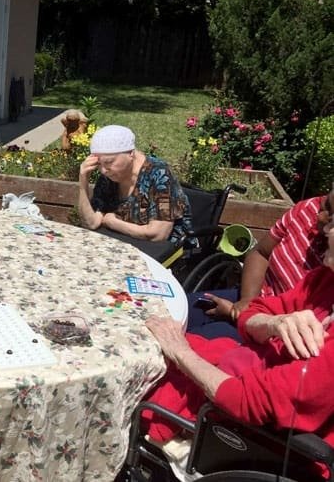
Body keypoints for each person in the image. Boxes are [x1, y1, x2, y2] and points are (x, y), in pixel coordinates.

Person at [142, 218, 334, 478]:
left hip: (261, 446)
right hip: (241, 375)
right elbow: (253, 311)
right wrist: (274, 323)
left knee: (139, 379)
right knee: (154, 345)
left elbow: (244, 401)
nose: (326, 228)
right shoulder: (324, 280)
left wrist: (179, 350)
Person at [186, 183, 334, 342]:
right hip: (252, 294)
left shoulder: (327, 272)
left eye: (332, 215)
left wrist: (237, 314)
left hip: (275, 334)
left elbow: (298, 329)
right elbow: (261, 252)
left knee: (190, 341)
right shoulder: (306, 209)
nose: (320, 216)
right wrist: (247, 300)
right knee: (178, 309)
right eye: (326, 204)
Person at [77, 125, 192, 244]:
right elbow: (91, 223)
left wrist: (113, 223)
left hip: (165, 250)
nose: (103, 170)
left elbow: (158, 234)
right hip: (123, 244)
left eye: (109, 162)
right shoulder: (109, 177)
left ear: (131, 153)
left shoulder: (160, 174)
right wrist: (83, 181)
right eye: (98, 164)